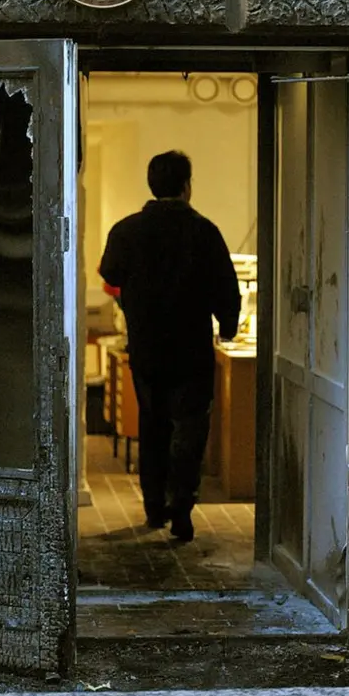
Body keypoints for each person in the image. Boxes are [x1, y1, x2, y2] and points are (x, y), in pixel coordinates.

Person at [99, 150, 241, 542]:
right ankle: (181, 507)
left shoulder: (127, 230)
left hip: (146, 350)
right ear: (186, 186)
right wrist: (227, 327)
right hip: (191, 351)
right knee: (190, 430)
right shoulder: (203, 231)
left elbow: (109, 274)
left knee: (153, 426)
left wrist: (130, 300)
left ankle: (153, 508)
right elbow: (226, 286)